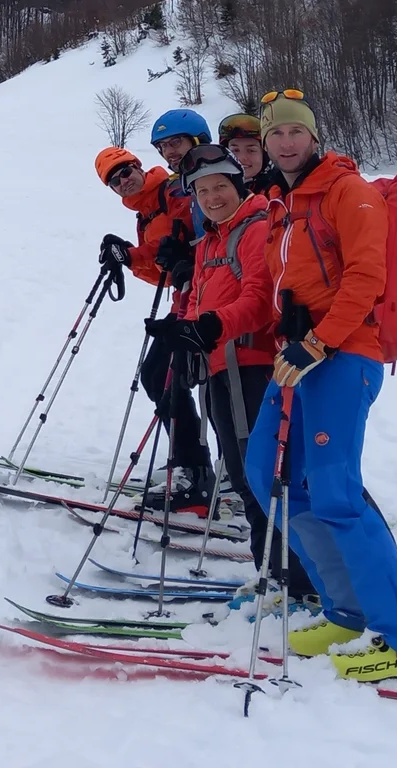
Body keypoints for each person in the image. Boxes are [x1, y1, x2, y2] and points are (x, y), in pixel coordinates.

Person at [243, 89, 397, 684]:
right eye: (276, 133)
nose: (285, 142)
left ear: (314, 136)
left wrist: (319, 340)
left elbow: (366, 277)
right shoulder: (281, 204)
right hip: (298, 356)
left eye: (295, 131)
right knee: (266, 474)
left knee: (337, 496)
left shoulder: (347, 192)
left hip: (343, 355)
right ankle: (347, 611)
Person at [147, 143, 315, 598]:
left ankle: (294, 580)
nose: (212, 197)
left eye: (220, 186)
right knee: (243, 477)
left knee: (263, 477)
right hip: (222, 369)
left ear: (238, 186)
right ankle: (274, 574)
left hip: (254, 371)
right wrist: (183, 332)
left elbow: (260, 299)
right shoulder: (212, 239)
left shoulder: (255, 230)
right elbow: (202, 300)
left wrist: (210, 327)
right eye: (202, 191)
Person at [99, 110, 214, 509]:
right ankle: (194, 466)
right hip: (188, 298)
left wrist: (138, 255)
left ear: (138, 166)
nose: (123, 180)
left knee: (169, 377)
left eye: (126, 170)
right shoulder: (147, 209)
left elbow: (193, 238)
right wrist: (131, 257)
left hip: (207, 300)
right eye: (114, 180)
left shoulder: (176, 190)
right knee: (159, 376)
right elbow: (163, 268)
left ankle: (196, 471)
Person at [219, 110, 285, 198]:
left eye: (251, 150)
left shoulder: (279, 191)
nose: (242, 158)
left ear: (265, 154)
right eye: (235, 150)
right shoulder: (215, 188)